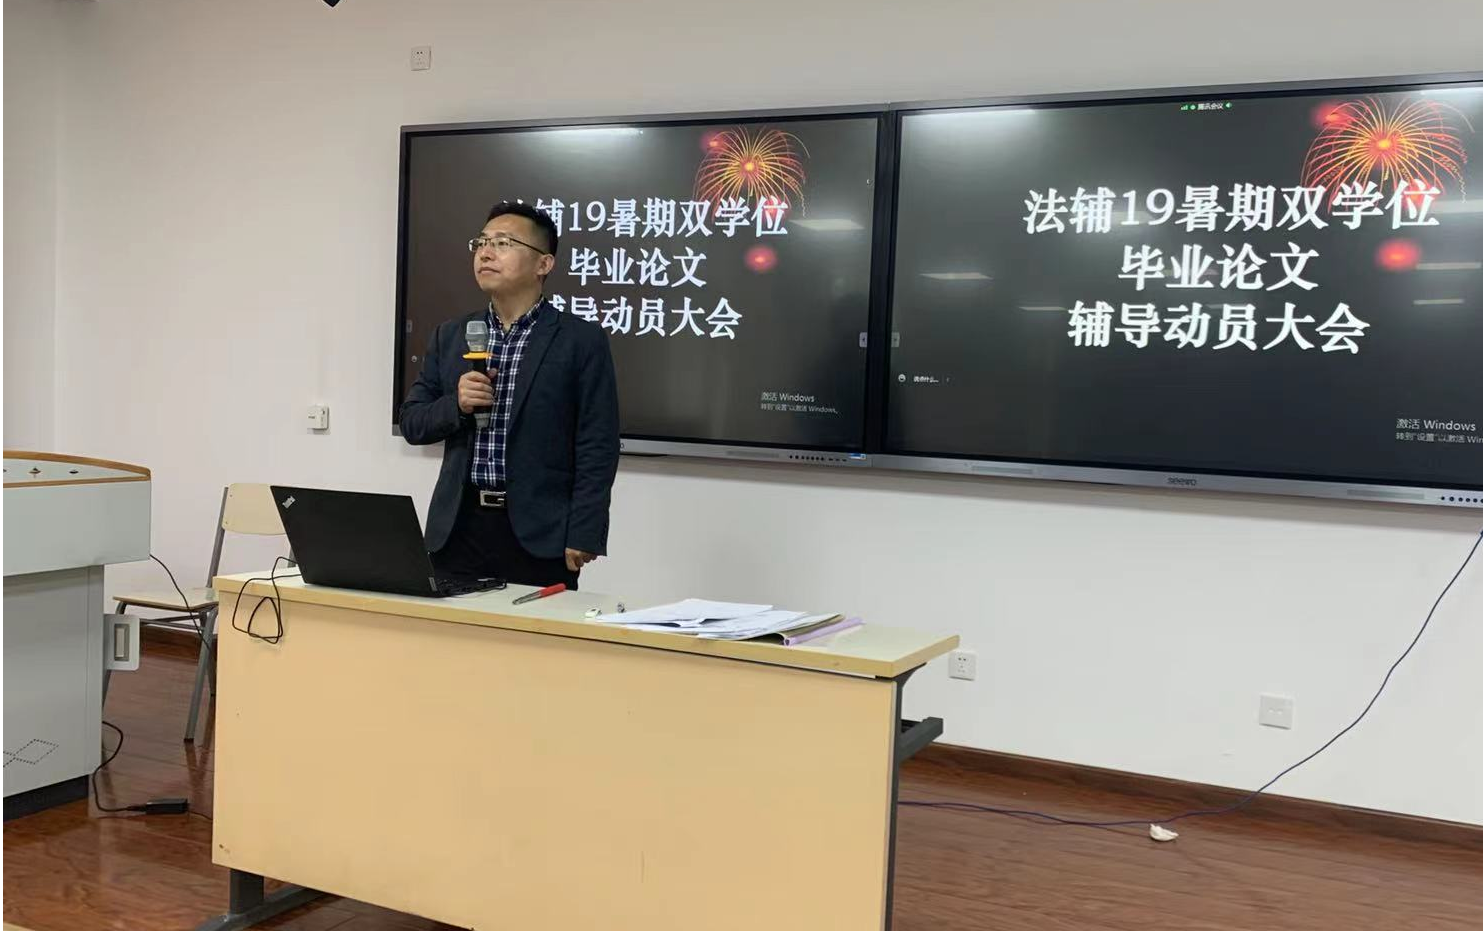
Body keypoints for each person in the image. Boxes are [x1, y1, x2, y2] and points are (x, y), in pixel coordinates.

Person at [400, 202, 619, 589]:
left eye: (503, 243)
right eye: (481, 242)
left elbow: (597, 444)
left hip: (540, 534)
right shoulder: (451, 335)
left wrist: (585, 531)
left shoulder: (580, 340)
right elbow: (413, 422)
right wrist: (457, 405)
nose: (486, 253)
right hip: (458, 529)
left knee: (535, 631)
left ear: (543, 264)